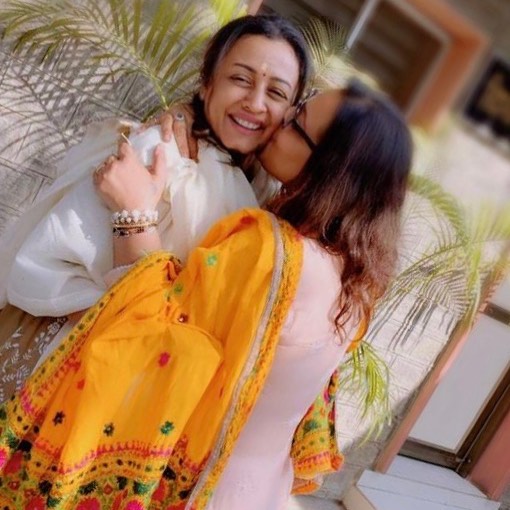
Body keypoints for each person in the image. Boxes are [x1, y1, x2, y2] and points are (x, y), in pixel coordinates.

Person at [0, 81, 412, 509]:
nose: (281, 117)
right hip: (262, 491)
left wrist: (134, 210)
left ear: (330, 170)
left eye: (297, 122)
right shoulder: (355, 274)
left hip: (199, 490)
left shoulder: (270, 254)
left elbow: (162, 343)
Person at [0, 14, 311, 400]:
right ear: (207, 83)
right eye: (240, 79)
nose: (255, 103)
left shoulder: (261, 189)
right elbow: (46, 262)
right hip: (66, 369)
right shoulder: (161, 152)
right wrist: (142, 340)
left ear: (292, 111)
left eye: (276, 92)